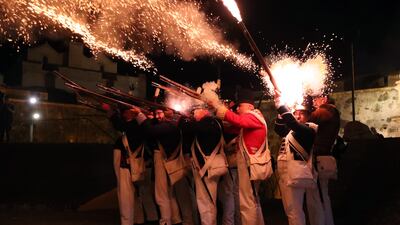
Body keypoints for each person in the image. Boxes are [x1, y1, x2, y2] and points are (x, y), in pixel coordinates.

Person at [206, 89, 271, 225]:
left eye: (240, 106)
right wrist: (215, 111)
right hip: (250, 165)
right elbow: (232, 126)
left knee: (247, 202)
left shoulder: (253, 115)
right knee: (252, 199)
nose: (237, 108)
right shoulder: (253, 117)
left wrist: (219, 107)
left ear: (250, 106)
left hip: (249, 165)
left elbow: (239, 121)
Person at [274, 95, 323, 225]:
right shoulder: (293, 130)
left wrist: (280, 105)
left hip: (295, 174)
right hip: (287, 173)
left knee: (294, 211)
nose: (298, 116)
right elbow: (278, 128)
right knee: (291, 211)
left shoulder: (308, 130)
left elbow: (292, 123)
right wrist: (282, 113)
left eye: (302, 113)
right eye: (296, 113)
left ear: (308, 115)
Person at [142, 108, 194, 225]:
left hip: (166, 161)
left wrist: (144, 117)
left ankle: (167, 221)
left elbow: (149, 132)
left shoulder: (167, 126)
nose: (157, 116)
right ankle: (181, 220)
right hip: (177, 161)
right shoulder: (177, 125)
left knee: (163, 195)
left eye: (160, 113)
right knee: (176, 195)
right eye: (156, 113)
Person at [182, 104, 226, 225]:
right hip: (208, 166)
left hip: (207, 168)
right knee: (206, 201)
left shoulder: (208, 123)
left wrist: (184, 118)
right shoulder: (214, 122)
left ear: (204, 111)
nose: (194, 114)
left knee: (206, 202)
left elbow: (189, 128)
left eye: (195, 111)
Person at [109, 107, 148, 225]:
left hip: (126, 163)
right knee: (134, 193)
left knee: (125, 195)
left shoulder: (134, 125)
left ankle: (127, 222)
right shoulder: (138, 124)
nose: (124, 113)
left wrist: (111, 114)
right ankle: (138, 219)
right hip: (132, 162)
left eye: (126, 111)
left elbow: (119, 125)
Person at [306, 95, 341, 225]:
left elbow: (310, 118)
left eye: (317, 98)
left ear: (325, 99)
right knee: (322, 196)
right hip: (322, 158)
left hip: (319, 159)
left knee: (318, 198)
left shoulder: (327, 111)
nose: (314, 102)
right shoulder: (332, 112)